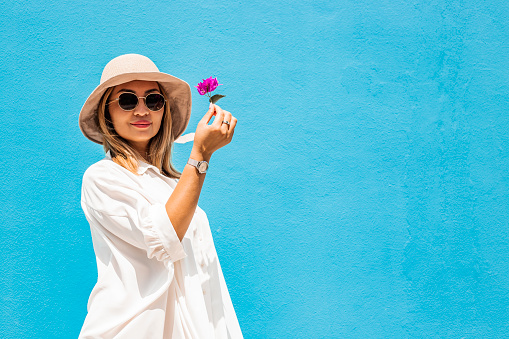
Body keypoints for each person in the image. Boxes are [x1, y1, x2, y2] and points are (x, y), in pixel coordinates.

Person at [78, 54, 243, 338]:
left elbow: (206, 281)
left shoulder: (174, 184)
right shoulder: (102, 177)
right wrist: (201, 155)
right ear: (107, 113)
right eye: (128, 100)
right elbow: (165, 235)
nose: (142, 110)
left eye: (153, 100)